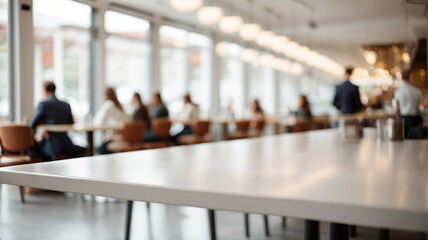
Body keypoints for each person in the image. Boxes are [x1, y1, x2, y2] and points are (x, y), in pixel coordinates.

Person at [29, 81, 86, 161]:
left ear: (45, 90)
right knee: (83, 150)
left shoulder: (43, 104)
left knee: (32, 150)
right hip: (66, 144)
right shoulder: (66, 105)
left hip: (51, 146)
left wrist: (43, 126)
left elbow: (33, 124)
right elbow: (71, 123)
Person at [95, 88, 128, 154]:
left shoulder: (108, 104)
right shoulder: (119, 105)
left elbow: (97, 121)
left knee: (100, 148)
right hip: (124, 137)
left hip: (116, 138)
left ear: (106, 95)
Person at [394, 71, 425, 138]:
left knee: (405, 141)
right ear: (410, 78)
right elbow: (421, 107)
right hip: (416, 120)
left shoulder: (397, 92)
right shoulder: (417, 91)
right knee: (417, 143)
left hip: (404, 120)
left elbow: (397, 108)